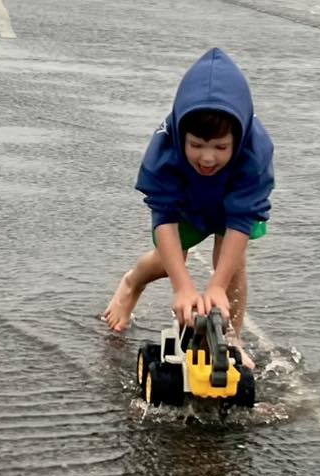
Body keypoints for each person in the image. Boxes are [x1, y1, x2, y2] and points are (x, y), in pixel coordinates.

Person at [103, 48, 274, 367]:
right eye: (196, 146)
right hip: (186, 200)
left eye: (221, 147)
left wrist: (217, 287)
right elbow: (164, 216)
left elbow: (242, 218)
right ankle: (131, 283)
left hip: (232, 203)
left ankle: (232, 338)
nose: (208, 158)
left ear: (238, 139)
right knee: (168, 259)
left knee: (232, 263)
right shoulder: (164, 148)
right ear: (182, 135)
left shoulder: (256, 151)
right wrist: (183, 288)